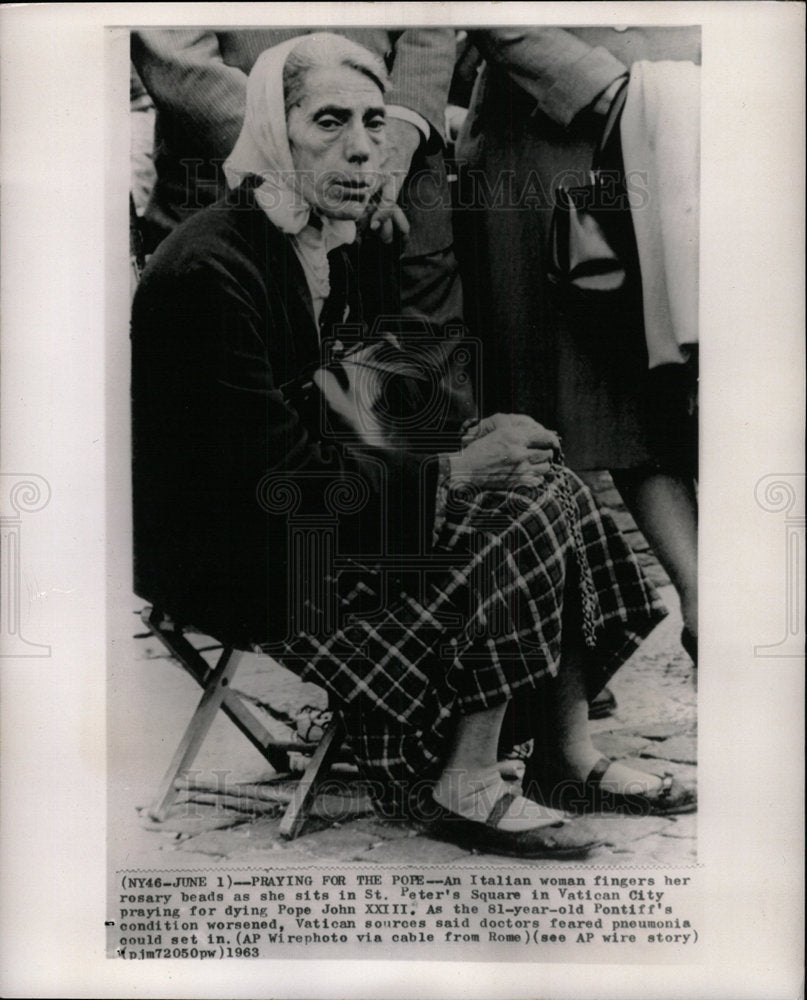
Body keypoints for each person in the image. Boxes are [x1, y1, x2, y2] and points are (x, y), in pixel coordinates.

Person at [131, 35, 694, 860]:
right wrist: (450, 472)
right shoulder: (209, 271)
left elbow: (369, 407)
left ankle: (562, 757)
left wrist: (470, 435)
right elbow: (267, 479)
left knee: (546, 476)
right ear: (271, 132)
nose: (362, 147)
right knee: (514, 511)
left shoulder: (335, 244)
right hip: (241, 553)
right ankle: (465, 779)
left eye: (370, 121)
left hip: (314, 509)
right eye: (327, 123)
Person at [455, 27, 700, 664]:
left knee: (689, 383)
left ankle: (711, 604)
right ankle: (555, 686)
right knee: (569, 402)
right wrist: (603, 86)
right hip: (555, 133)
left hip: (693, 120)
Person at [131, 27, 461, 328]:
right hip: (228, 193)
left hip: (400, 190)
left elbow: (430, 23)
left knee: (423, 380)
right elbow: (175, 50)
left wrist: (395, 133)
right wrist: (292, 156)